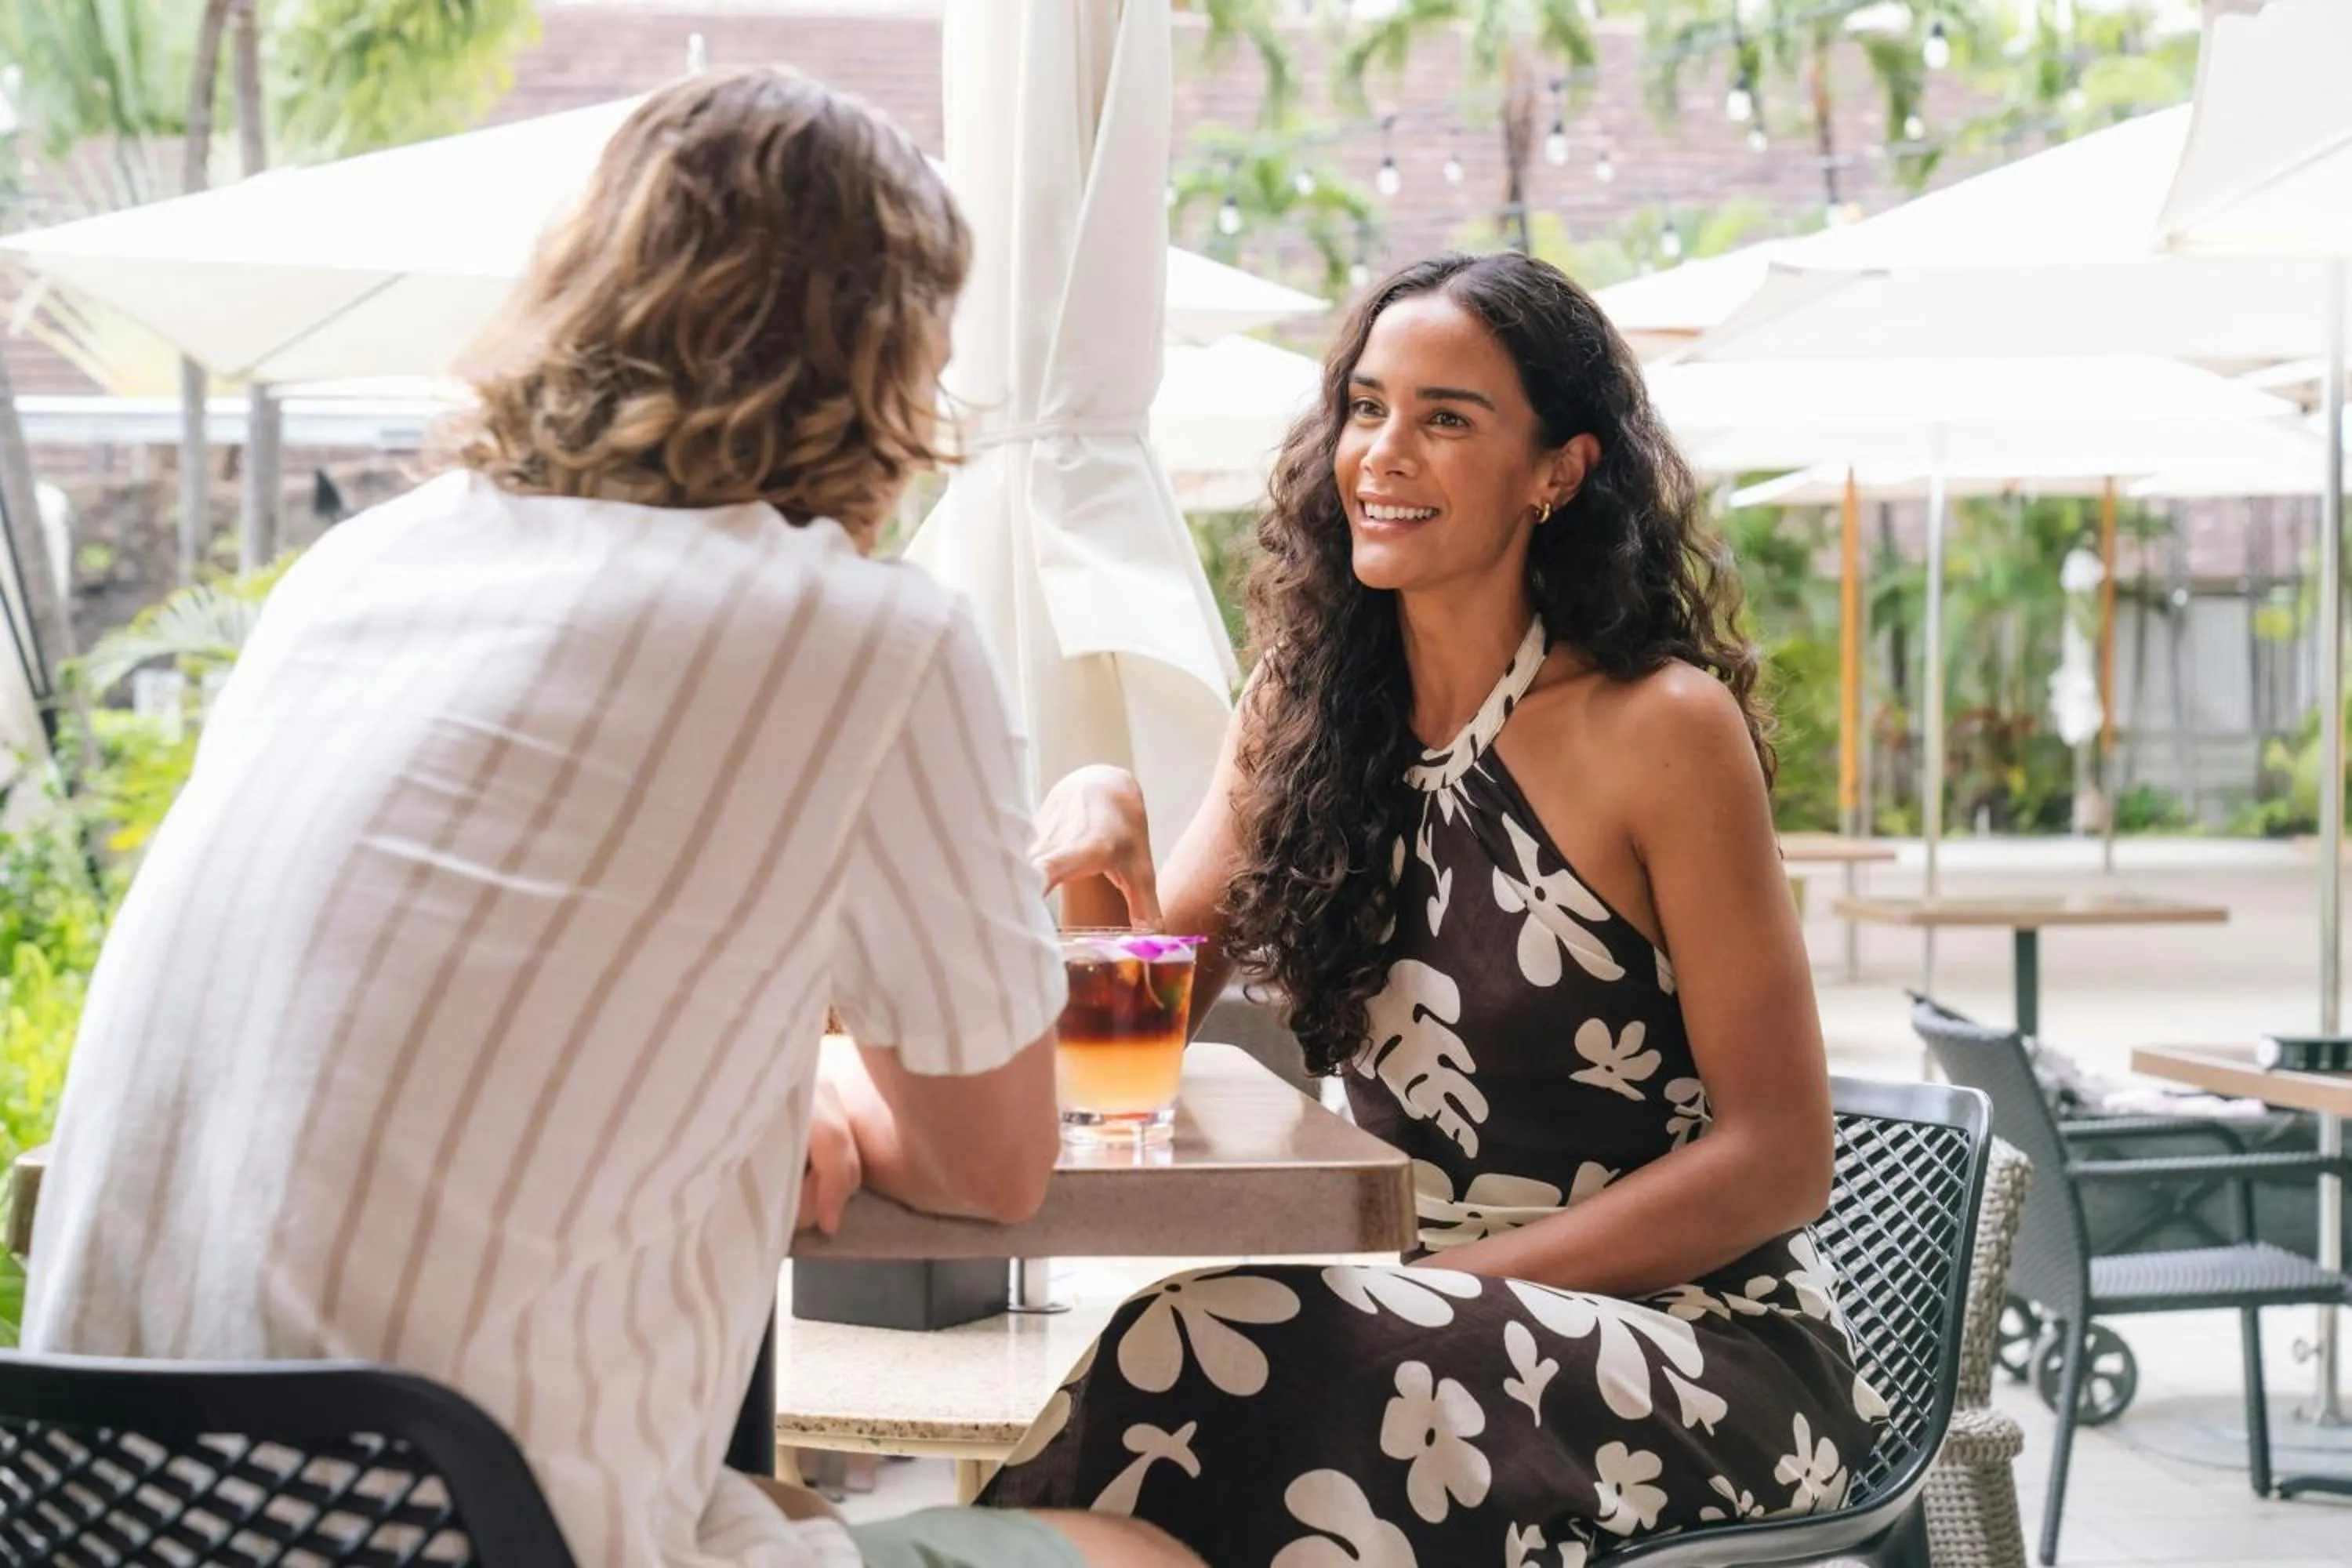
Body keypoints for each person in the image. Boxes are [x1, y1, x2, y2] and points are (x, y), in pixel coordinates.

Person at [22, 68, 1196, 1568]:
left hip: (91, 1499)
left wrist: (774, 1082)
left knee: (770, 1500)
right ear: (890, 359)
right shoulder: (860, 636)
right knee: (1138, 1553)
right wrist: (814, 1090)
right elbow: (995, 1166)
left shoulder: (356, 572)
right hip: (449, 1519)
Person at [993, 251, 1884, 1565]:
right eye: (1365, 408)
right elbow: (1128, 1050)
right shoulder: (1304, 711)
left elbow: (1779, 1156)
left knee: (1283, 1364)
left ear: (1558, 471)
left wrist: (1442, 1287)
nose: (1384, 453)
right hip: (1400, 1316)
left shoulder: (1660, 731)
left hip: (1696, 1347)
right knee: (1161, 1345)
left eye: (1446, 418)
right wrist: (1100, 824)